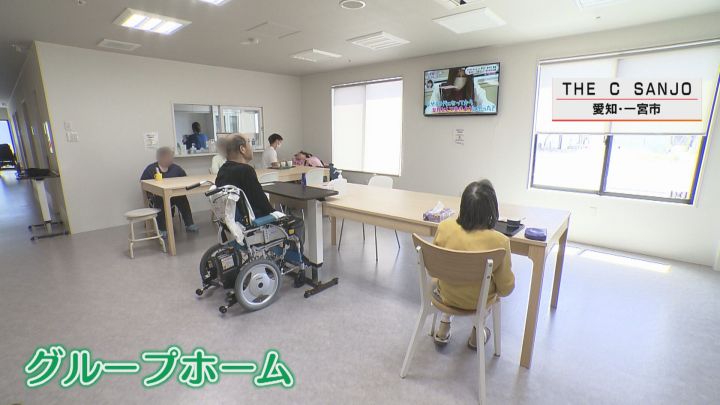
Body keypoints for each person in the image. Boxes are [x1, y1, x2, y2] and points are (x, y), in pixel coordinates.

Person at [431, 179, 514, 350]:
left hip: (446, 295)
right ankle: (478, 333)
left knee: (451, 275)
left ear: (463, 205)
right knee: (489, 288)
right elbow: (506, 288)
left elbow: (434, 269)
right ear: (492, 209)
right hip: (479, 302)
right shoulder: (500, 241)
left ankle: (444, 325)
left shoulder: (444, 228)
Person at [216, 134, 304, 259]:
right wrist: (276, 214)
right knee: (297, 222)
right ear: (242, 149)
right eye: (249, 143)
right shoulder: (246, 170)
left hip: (234, 221)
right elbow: (261, 201)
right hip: (253, 222)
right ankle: (294, 258)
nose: (251, 147)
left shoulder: (223, 170)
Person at [140, 147, 198, 236]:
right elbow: (143, 183)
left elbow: (185, 179)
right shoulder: (151, 169)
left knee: (182, 198)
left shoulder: (176, 168)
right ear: (160, 157)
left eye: (170, 157)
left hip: (174, 195)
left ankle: (189, 223)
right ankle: (162, 228)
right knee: (160, 199)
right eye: (167, 157)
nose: (169, 159)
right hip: (157, 197)